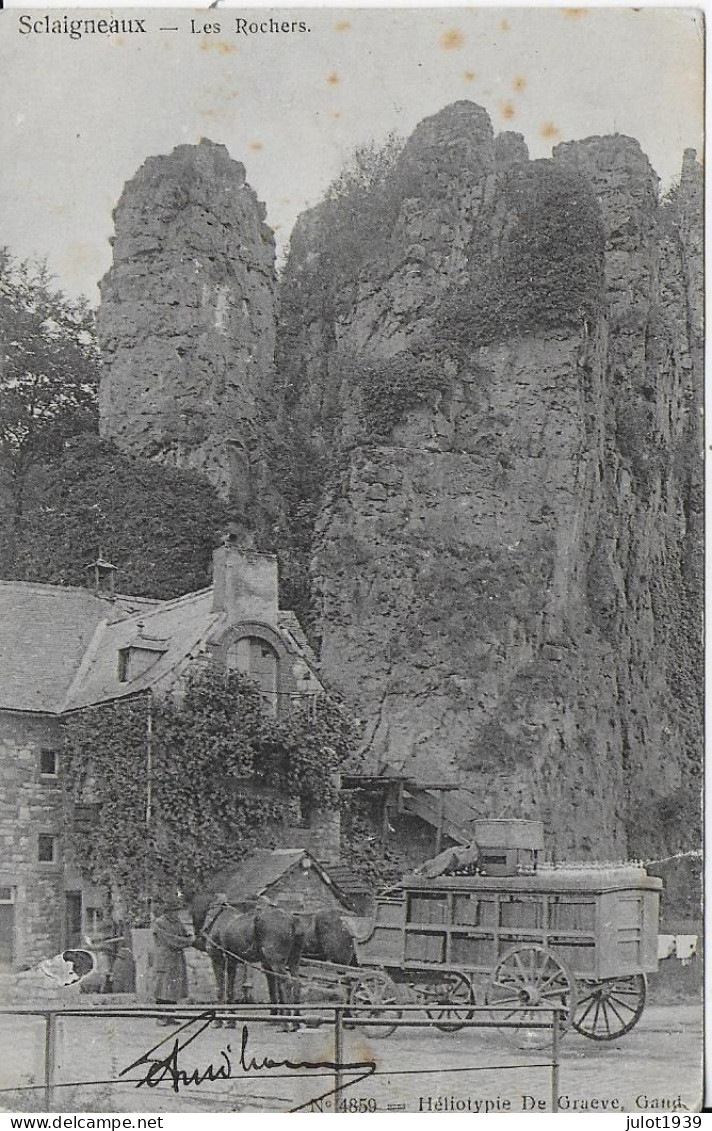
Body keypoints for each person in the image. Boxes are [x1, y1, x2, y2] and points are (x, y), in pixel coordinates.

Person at [152, 899, 194, 1024]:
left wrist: (190, 938)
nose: (176, 913)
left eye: (177, 911)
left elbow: (185, 934)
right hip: (164, 960)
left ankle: (170, 1016)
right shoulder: (159, 923)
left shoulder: (177, 922)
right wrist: (188, 941)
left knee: (173, 989)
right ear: (167, 912)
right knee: (162, 989)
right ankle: (160, 1017)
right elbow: (170, 940)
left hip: (176, 960)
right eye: (174, 911)